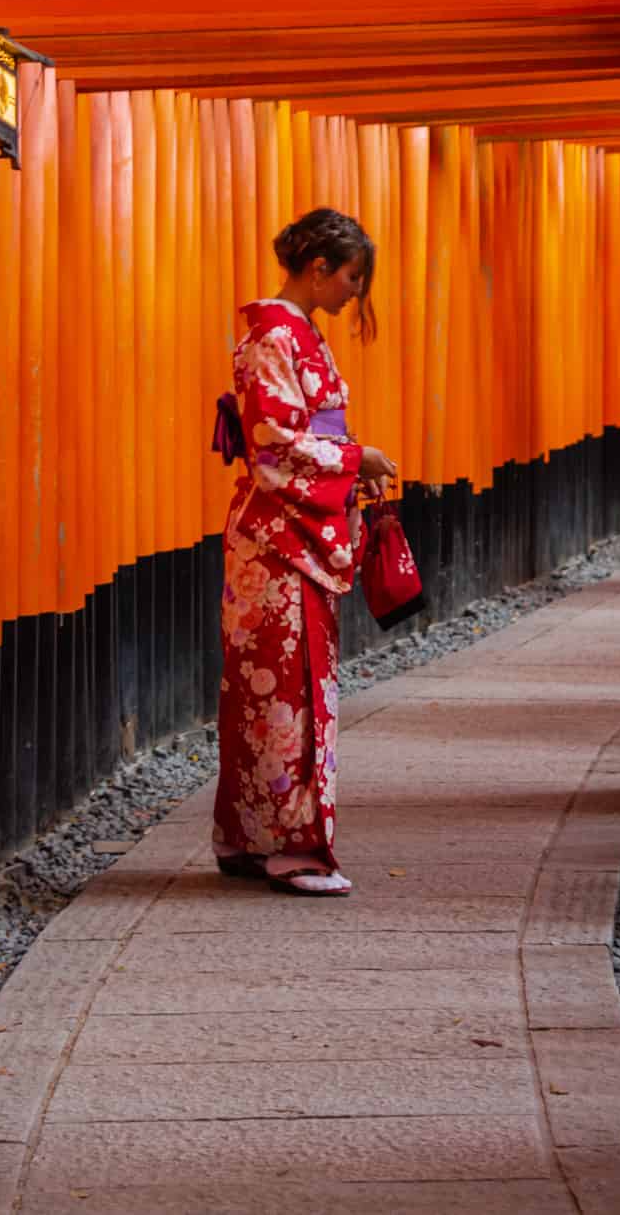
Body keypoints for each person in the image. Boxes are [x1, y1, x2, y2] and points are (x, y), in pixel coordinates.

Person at [213, 209, 396, 897]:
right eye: (351, 276)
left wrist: (351, 463)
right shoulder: (274, 336)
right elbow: (274, 445)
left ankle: (245, 835)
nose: (353, 292)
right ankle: (292, 849)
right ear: (318, 267)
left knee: (271, 693)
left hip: (283, 538)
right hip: (278, 543)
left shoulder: (290, 334)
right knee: (287, 692)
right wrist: (357, 456)